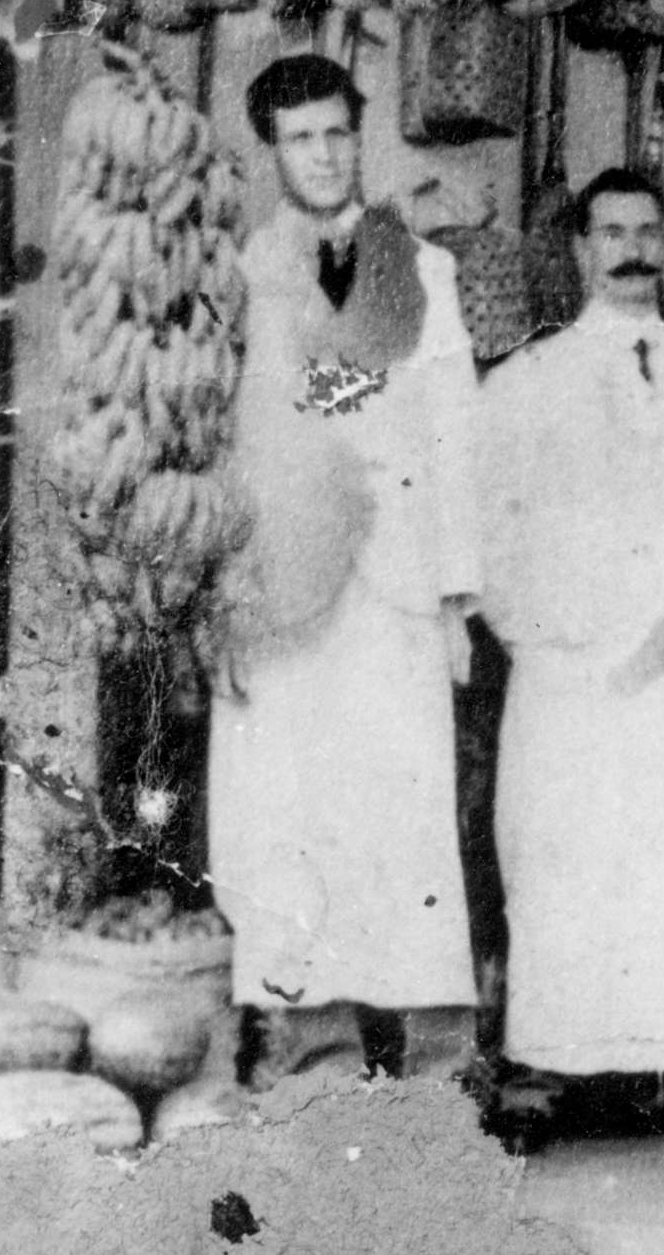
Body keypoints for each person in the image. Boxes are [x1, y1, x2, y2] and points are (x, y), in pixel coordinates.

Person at [209, 54, 481, 1085]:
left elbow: (455, 433)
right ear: (272, 149)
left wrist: (458, 600)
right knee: (289, 821)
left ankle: (436, 1064)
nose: (322, 153)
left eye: (336, 132)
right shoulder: (239, 277)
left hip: (398, 586)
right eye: (300, 137)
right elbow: (226, 442)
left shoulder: (422, 269)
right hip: (285, 594)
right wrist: (224, 600)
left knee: (405, 824)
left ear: (357, 136)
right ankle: (312, 1052)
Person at [478, 169, 664, 1085]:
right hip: (565, 661)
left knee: (659, 854)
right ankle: (548, 1065)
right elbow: (488, 522)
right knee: (560, 851)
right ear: (582, 250)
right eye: (611, 232)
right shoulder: (527, 379)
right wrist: (538, 636)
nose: (630, 248)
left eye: (646, 230)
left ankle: (661, 1065)